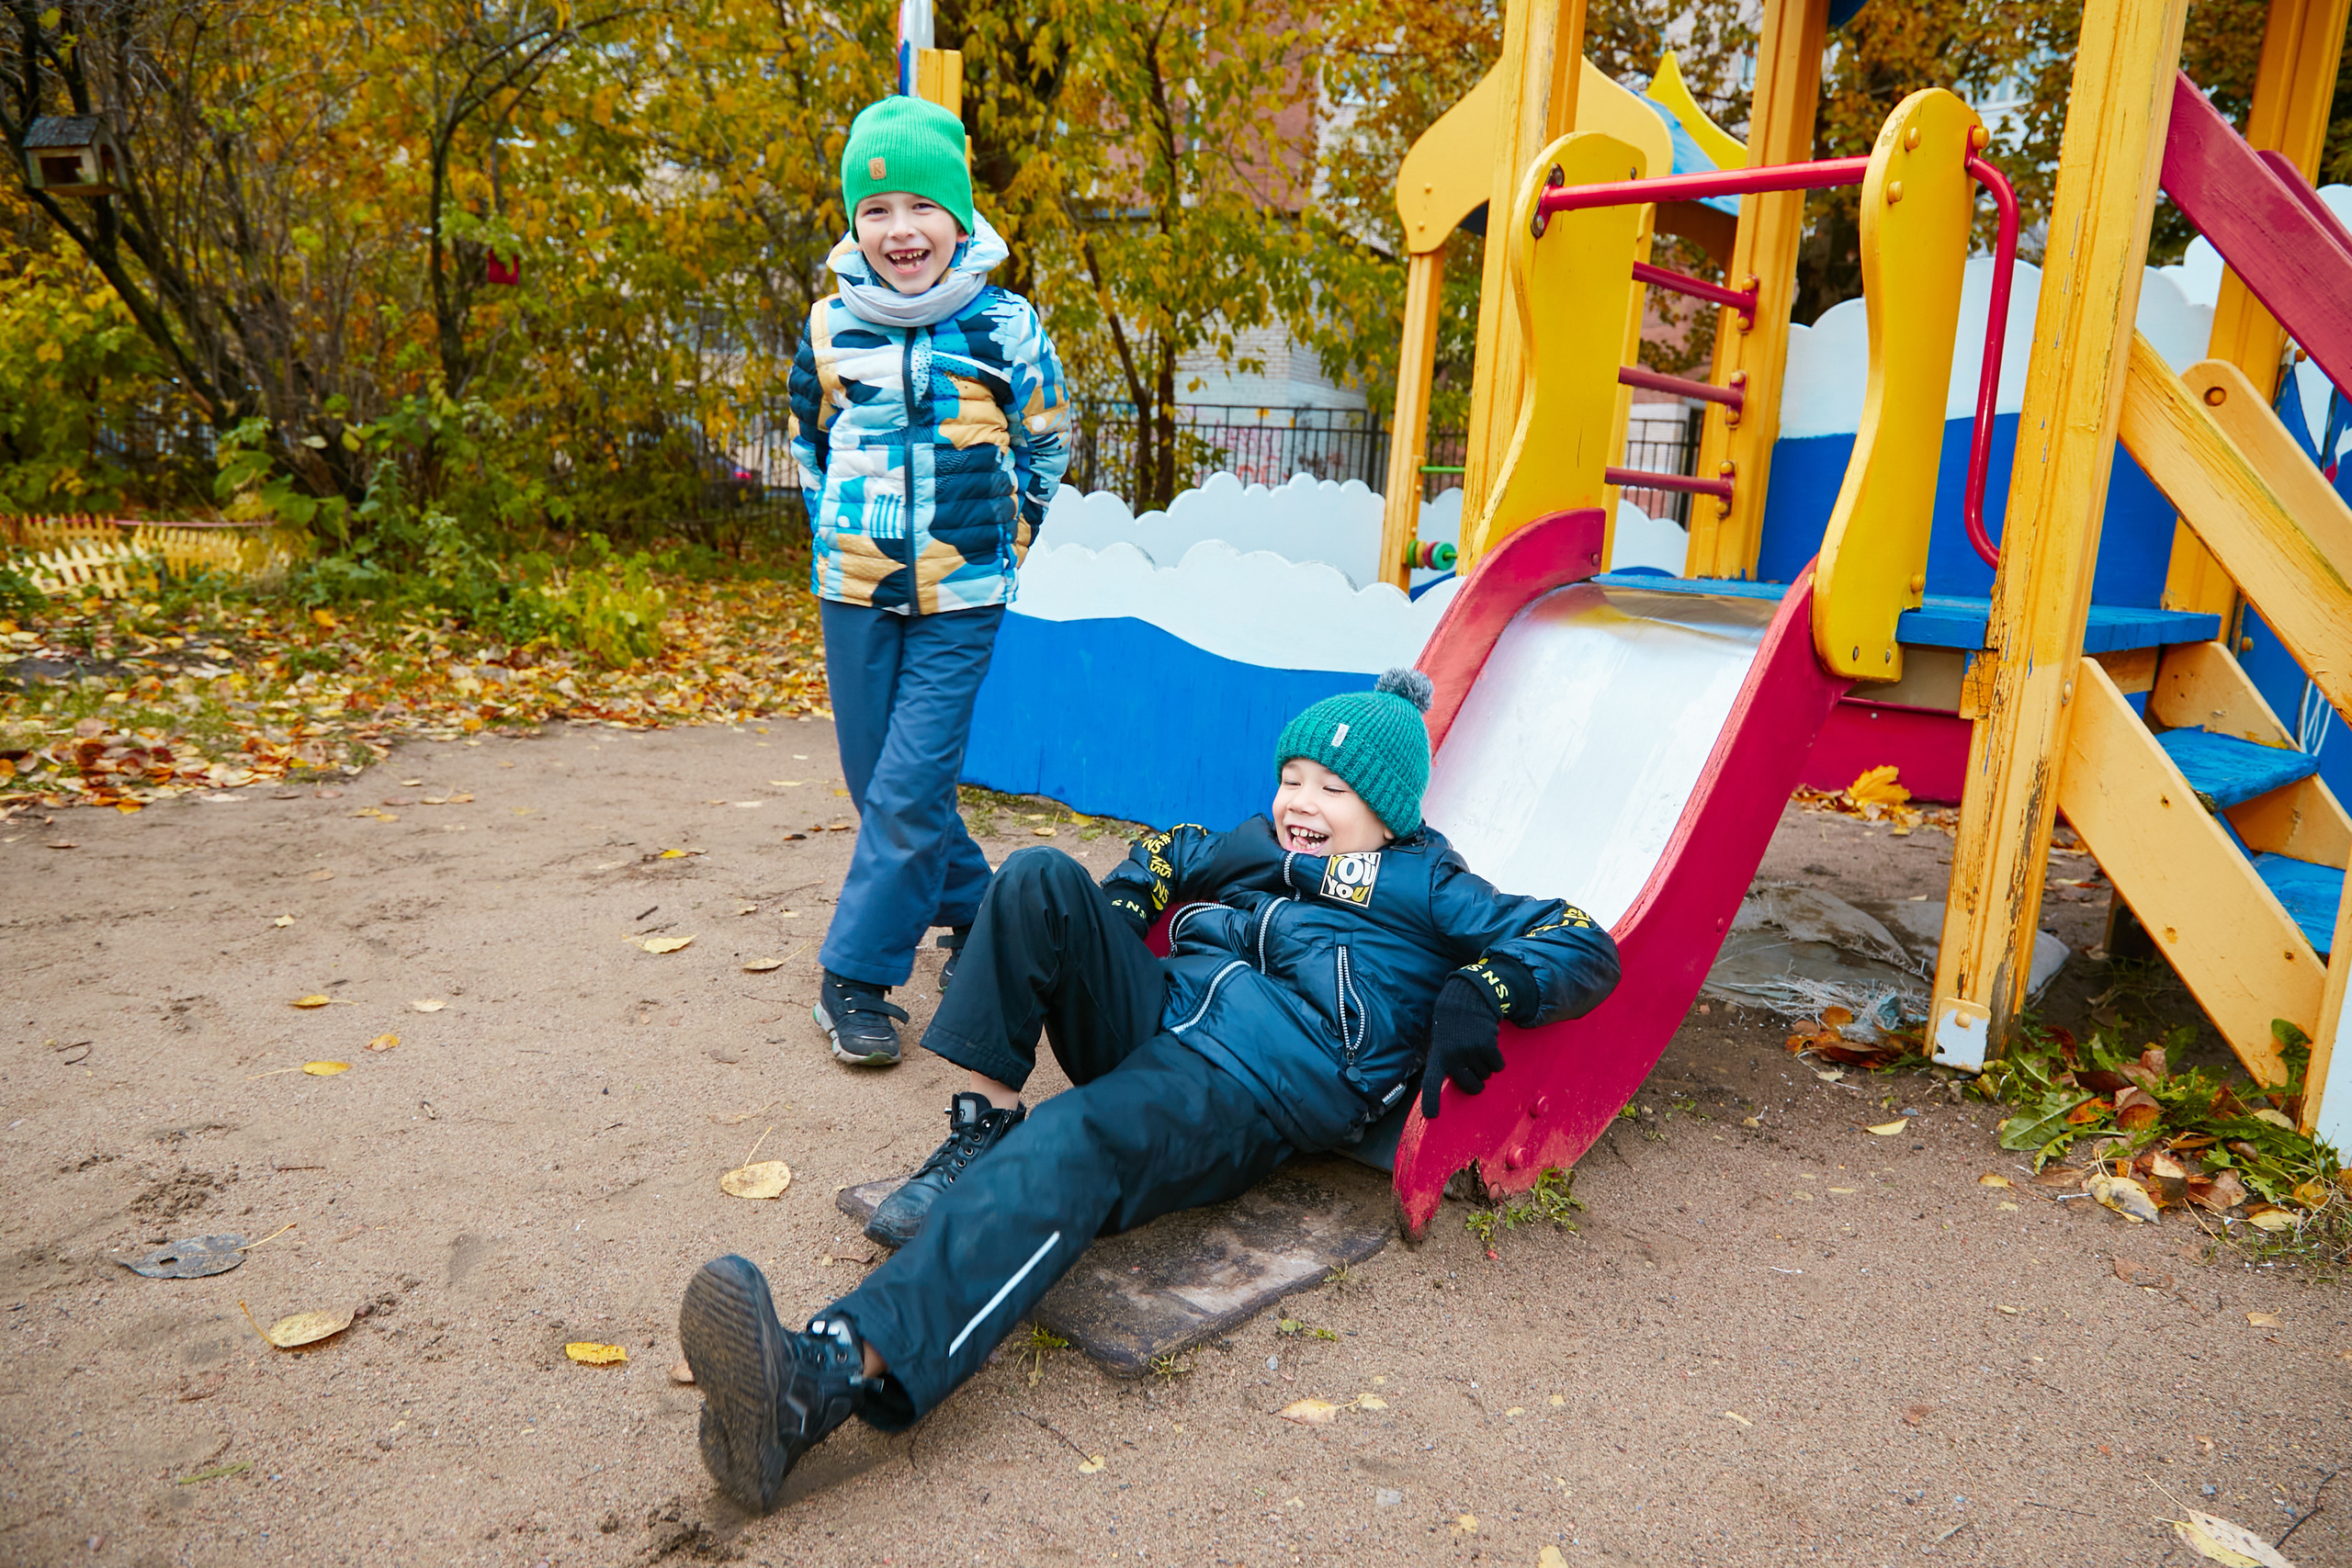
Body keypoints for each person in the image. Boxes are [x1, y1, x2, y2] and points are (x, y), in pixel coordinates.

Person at [678, 668, 1621, 1512]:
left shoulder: (1429, 884)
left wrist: (1480, 987)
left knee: (1075, 1141)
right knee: (1040, 877)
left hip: (1250, 1081)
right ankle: (980, 1127)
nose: (1302, 801)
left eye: (1333, 789)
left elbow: (1583, 942)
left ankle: (822, 1377)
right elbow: (1168, 848)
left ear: (1388, 811)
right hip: (1160, 1009)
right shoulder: (1252, 844)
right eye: (1293, 777)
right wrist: (1125, 905)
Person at [789, 94, 1069, 1066]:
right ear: (853, 224)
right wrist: (833, 531)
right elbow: (809, 439)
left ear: (958, 217)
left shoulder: (1004, 325)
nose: (899, 231)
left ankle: (855, 977)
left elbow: (1046, 441)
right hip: (854, 588)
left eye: (921, 207)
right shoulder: (831, 326)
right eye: (876, 210)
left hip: (964, 596)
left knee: (909, 789)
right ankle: (983, 909)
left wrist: (1008, 540)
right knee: (879, 786)